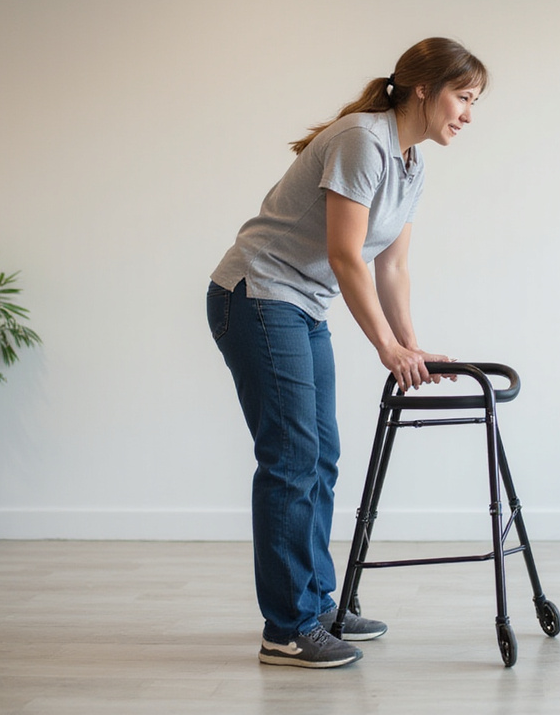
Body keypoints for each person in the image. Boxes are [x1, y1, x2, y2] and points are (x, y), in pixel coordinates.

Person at [207, 37, 486, 668]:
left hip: (301, 305)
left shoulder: (411, 162)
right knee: (290, 459)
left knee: (320, 456)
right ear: (424, 90)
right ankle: (287, 628)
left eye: (474, 102)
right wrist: (387, 347)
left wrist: (411, 346)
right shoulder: (363, 140)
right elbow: (343, 255)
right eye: (463, 98)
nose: (469, 114)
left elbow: (392, 267)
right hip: (257, 294)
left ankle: (314, 605)